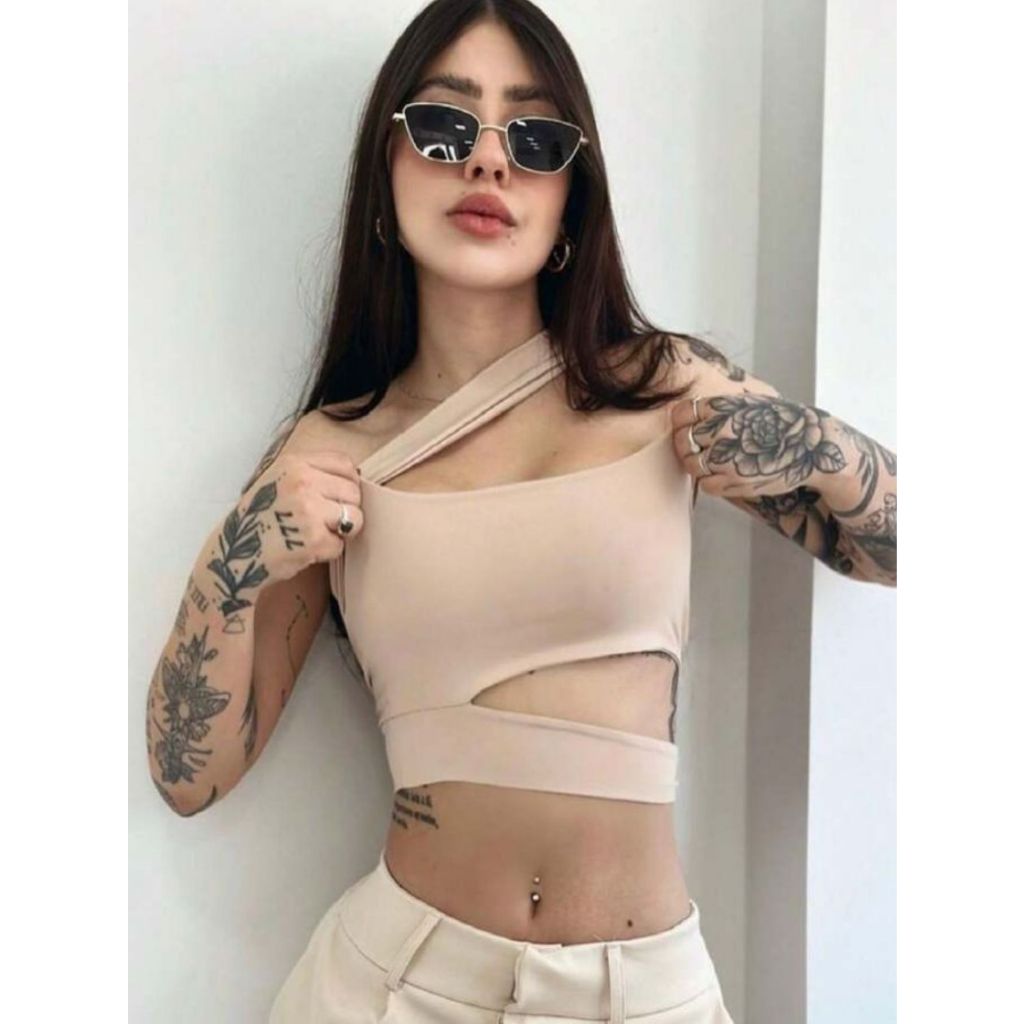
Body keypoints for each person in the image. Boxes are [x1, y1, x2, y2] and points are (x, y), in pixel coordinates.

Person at [144, 1, 896, 1020]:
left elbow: (908, 543)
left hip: (644, 994)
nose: (488, 160)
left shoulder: (662, 385)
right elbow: (189, 777)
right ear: (385, 171)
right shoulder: (333, 448)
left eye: (535, 138)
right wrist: (234, 558)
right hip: (398, 984)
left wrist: (804, 447)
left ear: (570, 199)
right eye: (444, 126)